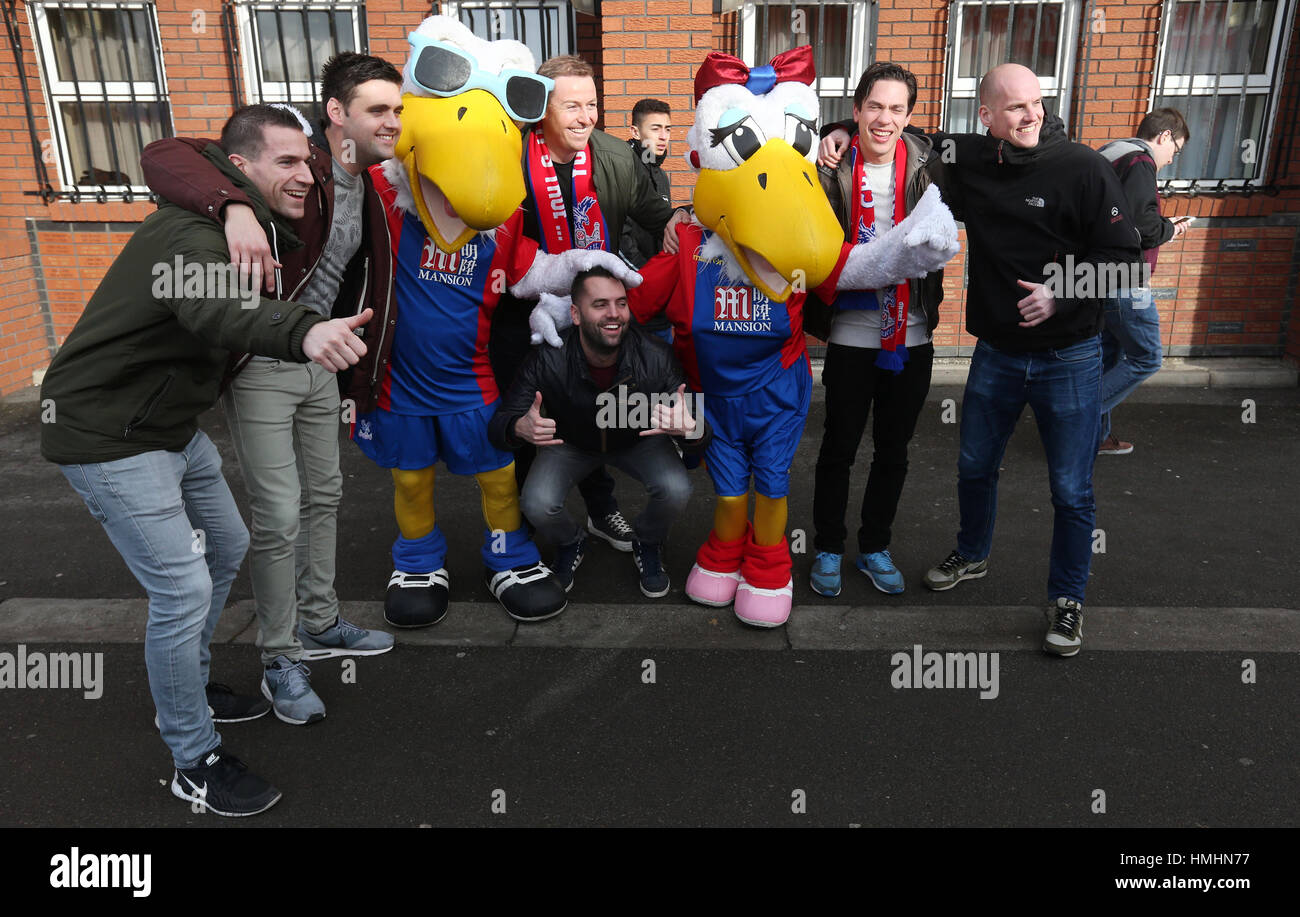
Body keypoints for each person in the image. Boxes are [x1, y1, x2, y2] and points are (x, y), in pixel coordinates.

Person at [40, 105, 374, 815]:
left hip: (165, 423)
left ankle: (189, 684)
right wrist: (304, 330)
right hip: (109, 431)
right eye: (285, 162)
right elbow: (216, 310)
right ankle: (192, 757)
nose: (304, 175)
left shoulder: (241, 221)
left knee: (229, 541)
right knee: (183, 591)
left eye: (306, 163)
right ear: (241, 168)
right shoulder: (188, 232)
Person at [821, 63, 1140, 656]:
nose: (1031, 115)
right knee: (974, 468)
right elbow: (893, 128)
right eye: (1015, 107)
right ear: (987, 117)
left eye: (1037, 103)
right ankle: (971, 554)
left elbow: (1127, 262)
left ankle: (1067, 600)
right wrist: (840, 127)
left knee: (1071, 490)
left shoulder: (1084, 168)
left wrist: (1062, 289)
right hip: (996, 353)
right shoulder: (969, 157)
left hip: (1070, 357)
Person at [140, 53, 402, 723]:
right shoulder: (295, 165)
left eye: (398, 110)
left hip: (318, 356)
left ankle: (319, 620)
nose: (394, 123)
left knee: (325, 495)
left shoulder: (366, 185)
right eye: (379, 110)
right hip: (262, 357)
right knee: (279, 513)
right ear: (338, 115)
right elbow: (167, 153)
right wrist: (232, 206)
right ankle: (279, 658)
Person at [489, 55, 686, 555]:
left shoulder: (616, 157)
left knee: (600, 409)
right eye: (571, 105)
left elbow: (650, 210)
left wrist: (678, 214)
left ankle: (601, 510)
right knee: (534, 420)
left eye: (592, 104)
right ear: (541, 109)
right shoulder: (508, 154)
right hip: (524, 314)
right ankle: (530, 531)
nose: (585, 116)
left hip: (594, 317)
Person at [806, 62, 945, 599]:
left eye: (896, 109)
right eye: (874, 107)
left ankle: (875, 545)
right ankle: (826, 547)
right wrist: (831, 131)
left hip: (912, 336)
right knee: (838, 448)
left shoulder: (929, 164)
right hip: (850, 335)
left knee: (894, 449)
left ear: (909, 116)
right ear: (858, 108)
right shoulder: (831, 165)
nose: (884, 119)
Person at [490, 267, 706, 596]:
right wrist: (518, 426)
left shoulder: (655, 355)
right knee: (536, 502)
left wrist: (689, 429)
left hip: (638, 439)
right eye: (601, 304)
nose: (614, 314)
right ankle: (570, 542)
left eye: (621, 303)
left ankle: (647, 541)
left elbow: (701, 427)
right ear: (575, 314)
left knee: (676, 488)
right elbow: (498, 425)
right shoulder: (549, 358)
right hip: (573, 443)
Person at [1095, 107, 1191, 454]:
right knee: (1147, 357)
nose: (1170, 159)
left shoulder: (1112, 152)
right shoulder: (1140, 162)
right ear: (1164, 136)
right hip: (1125, 279)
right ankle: (1078, 418)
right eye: (1174, 150)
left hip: (1096, 275)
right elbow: (1142, 227)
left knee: (1107, 355)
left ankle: (1094, 439)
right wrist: (1171, 228)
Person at [621, 98, 676, 343]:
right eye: (655, 128)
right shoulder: (622, 168)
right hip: (632, 295)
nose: (663, 136)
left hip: (658, 299)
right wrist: (646, 280)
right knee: (631, 376)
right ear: (635, 131)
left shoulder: (661, 175)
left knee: (663, 371)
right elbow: (620, 238)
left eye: (667, 129)